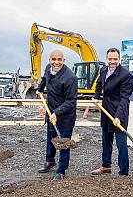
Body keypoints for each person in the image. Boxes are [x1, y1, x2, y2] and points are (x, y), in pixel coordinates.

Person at [91, 48, 133, 176]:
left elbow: (125, 98)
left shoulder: (126, 75)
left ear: (119, 59)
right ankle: (106, 166)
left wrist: (119, 116)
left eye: (115, 59)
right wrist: (96, 96)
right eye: (110, 59)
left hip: (119, 111)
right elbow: (99, 84)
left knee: (121, 145)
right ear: (107, 59)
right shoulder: (103, 70)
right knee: (106, 140)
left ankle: (123, 172)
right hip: (106, 110)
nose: (112, 61)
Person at [37, 50, 77, 180]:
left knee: (64, 142)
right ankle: (50, 161)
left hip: (65, 115)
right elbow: (44, 78)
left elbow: (71, 101)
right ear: (49, 60)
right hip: (51, 111)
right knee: (51, 137)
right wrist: (39, 89)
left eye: (59, 59)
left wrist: (57, 113)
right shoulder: (48, 68)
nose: (56, 62)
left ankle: (61, 170)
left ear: (64, 61)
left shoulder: (70, 78)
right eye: (53, 59)